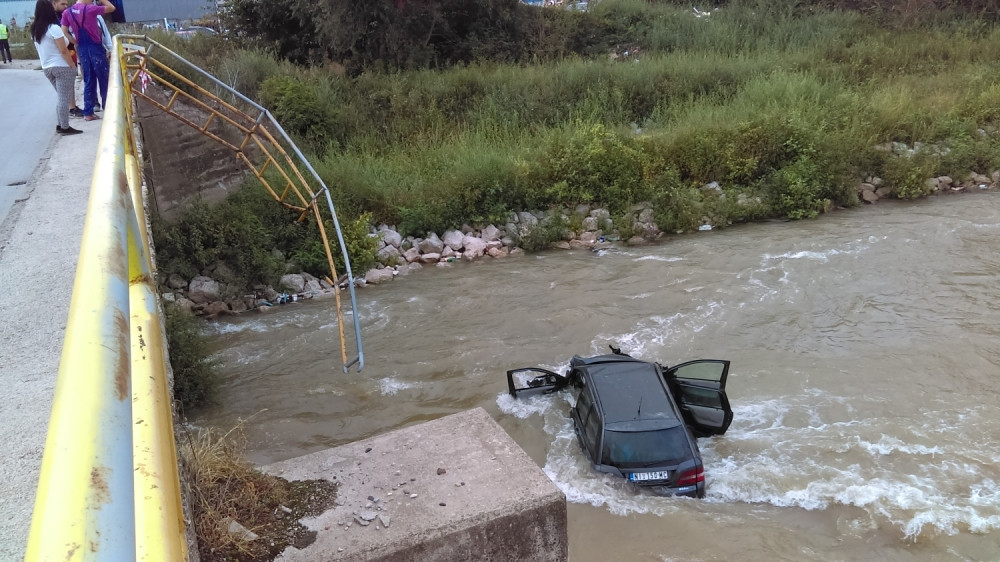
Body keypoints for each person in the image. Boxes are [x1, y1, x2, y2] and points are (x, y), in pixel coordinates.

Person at [31, 0, 82, 135]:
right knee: (64, 99)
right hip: (61, 66)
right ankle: (65, 127)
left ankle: (61, 125)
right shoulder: (53, 28)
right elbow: (63, 50)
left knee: (61, 97)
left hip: (47, 68)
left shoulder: (35, 30)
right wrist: (72, 65)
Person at [60, 0, 114, 122]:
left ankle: (88, 112)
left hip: (82, 49)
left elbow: (63, 31)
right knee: (104, 79)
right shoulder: (91, 9)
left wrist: (75, 42)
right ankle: (108, 109)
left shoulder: (67, 12)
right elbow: (111, 8)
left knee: (88, 80)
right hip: (95, 47)